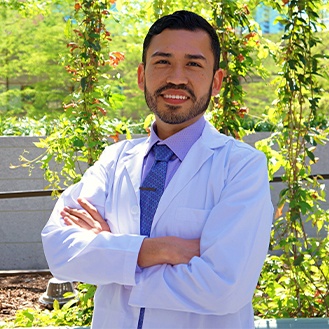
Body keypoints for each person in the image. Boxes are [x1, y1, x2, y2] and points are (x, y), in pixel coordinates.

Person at [42, 10, 273, 329]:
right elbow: (60, 254)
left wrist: (114, 256)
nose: (177, 77)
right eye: (163, 61)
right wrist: (158, 249)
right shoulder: (113, 160)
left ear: (216, 81)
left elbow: (224, 288)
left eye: (194, 63)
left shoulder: (240, 166)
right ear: (141, 75)